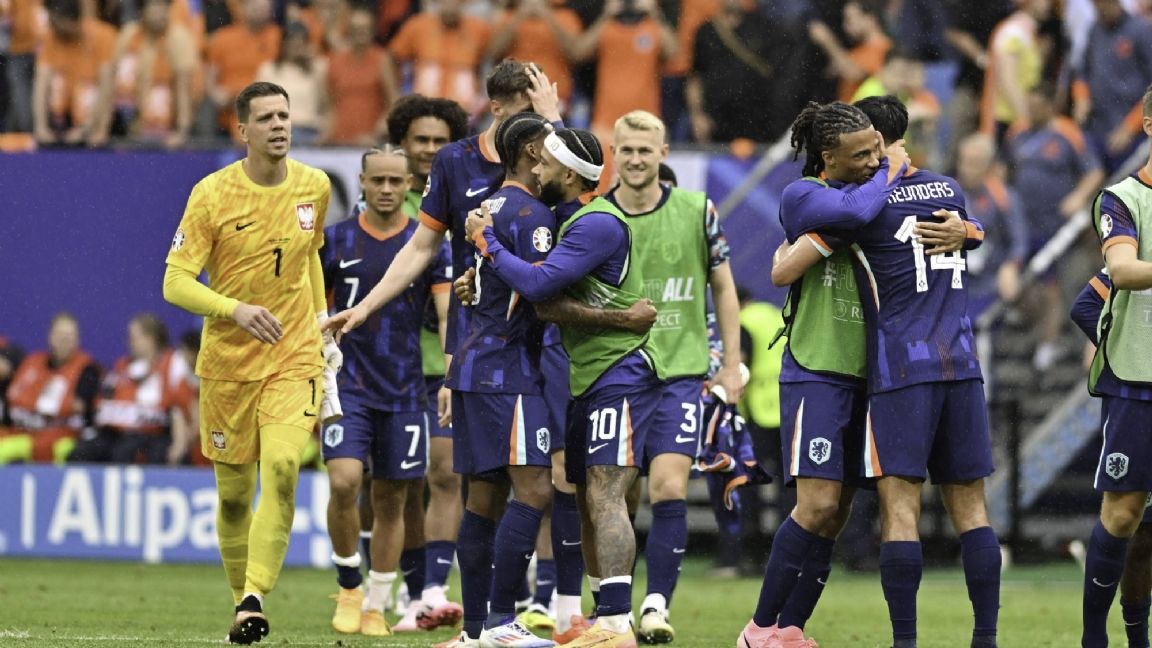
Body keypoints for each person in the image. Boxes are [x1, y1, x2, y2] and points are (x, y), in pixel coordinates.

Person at [323, 60, 562, 646]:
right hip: (493, 354)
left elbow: (584, 207)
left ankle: (489, 624)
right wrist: (365, 306)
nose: (540, 132)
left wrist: (556, 124)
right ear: (499, 110)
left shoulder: (548, 161)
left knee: (509, 489)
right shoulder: (458, 163)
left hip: (542, 348)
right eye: (531, 115)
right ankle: (493, 620)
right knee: (514, 487)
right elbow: (420, 247)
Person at [463, 126, 666, 648]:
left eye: (547, 166)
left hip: (620, 371)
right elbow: (544, 299)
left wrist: (486, 243)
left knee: (606, 490)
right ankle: (603, 619)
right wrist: (480, 281)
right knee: (587, 495)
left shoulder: (597, 223)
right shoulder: (569, 220)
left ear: (570, 176)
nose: (537, 171)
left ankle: (617, 623)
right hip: (588, 375)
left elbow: (537, 286)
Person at [162, 81, 335, 645]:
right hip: (228, 364)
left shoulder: (315, 185)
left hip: (294, 355)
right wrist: (234, 309)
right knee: (234, 498)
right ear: (243, 130)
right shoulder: (212, 194)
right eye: (266, 118)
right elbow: (175, 283)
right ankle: (243, 603)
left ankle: (255, 595)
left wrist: (321, 322)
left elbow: (309, 259)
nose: (279, 125)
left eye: (284, 115)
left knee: (282, 469)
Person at [738, 100, 909, 648]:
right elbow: (856, 214)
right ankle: (757, 629)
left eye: (877, 151)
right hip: (817, 369)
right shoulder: (803, 195)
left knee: (836, 514)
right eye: (860, 156)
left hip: (869, 376)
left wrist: (966, 229)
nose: (873, 161)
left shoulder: (870, 190)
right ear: (828, 158)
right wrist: (892, 171)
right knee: (814, 505)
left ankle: (790, 630)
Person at [595, 109, 745, 644]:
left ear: (663, 154)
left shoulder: (697, 210)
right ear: (614, 154)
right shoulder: (595, 218)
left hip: (681, 372)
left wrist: (730, 362)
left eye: (646, 150)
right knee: (611, 493)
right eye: (627, 150)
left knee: (668, 485)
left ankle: (656, 605)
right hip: (615, 373)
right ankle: (602, 606)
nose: (636, 159)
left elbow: (723, 287)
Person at [320, 145, 452, 637]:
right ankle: (348, 585)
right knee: (344, 482)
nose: (387, 189)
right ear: (362, 182)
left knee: (393, 499)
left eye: (396, 181)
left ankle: (376, 603)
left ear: (409, 184)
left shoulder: (426, 244)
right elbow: (312, 306)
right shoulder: (335, 240)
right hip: (347, 385)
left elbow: (446, 315)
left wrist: (451, 375)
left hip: (404, 388)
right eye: (378, 180)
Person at [448, 111, 557, 647]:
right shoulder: (533, 214)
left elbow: (483, 283)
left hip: (474, 363)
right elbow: (540, 287)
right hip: (507, 369)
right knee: (534, 489)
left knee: (483, 499)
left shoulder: (487, 206)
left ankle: (473, 632)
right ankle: (499, 623)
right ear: (533, 151)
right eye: (551, 144)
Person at [385, 93, 470, 632]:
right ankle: (402, 583)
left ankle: (431, 587)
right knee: (393, 482)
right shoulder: (386, 196)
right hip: (388, 364)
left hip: (444, 359)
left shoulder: (466, 200)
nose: (430, 149)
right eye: (421, 139)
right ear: (402, 143)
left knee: (442, 471)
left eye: (441, 140)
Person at [1078, 82, 1152, 648]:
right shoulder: (1122, 198)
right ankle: (1094, 637)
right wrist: (1108, 340)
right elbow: (1119, 274)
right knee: (1125, 516)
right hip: (1137, 379)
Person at [1070, 267, 1152, 648]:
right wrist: (1126, 354)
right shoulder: (1136, 251)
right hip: (1139, 398)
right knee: (1132, 526)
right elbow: (1087, 305)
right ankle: (1104, 638)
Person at [1004, 82, 1105, 370]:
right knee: (1023, 284)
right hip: (1026, 223)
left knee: (1058, 284)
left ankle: (1057, 342)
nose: (1032, 112)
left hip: (1060, 228)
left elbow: (1094, 171)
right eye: (1029, 106)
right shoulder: (1017, 132)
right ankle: (1044, 335)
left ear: (1050, 106)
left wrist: (1078, 196)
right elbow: (1005, 170)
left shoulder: (1067, 132)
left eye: (1038, 107)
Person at [68, 313, 193, 465]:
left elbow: (181, 409)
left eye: (134, 337)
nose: (129, 342)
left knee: (126, 452)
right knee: (81, 453)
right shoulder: (122, 365)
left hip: (155, 434)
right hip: (118, 433)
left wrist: (180, 444)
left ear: (151, 339)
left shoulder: (173, 364)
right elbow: (104, 403)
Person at [0, 312, 100, 464]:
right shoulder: (32, 363)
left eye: (69, 336)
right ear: (50, 336)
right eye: (60, 335)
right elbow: (14, 399)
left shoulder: (87, 369)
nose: (64, 341)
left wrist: (38, 406)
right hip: (26, 435)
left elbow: (78, 407)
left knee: (70, 453)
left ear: (77, 340)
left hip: (66, 438)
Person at [1072, 0, 1152, 172]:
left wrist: (1130, 127)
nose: (1100, 9)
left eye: (1104, 4)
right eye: (1096, 5)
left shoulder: (1141, 30)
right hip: (1098, 128)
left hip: (1134, 134)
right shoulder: (1095, 30)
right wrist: (1081, 98)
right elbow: (1082, 72)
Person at [104, 0, 197, 148]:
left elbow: (184, 88)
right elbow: (110, 81)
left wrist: (181, 131)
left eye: (164, 8)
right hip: (128, 123)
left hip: (167, 128)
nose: (161, 14)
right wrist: (102, 129)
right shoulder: (129, 34)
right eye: (155, 8)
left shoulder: (178, 37)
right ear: (142, 12)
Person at [32, 0, 116, 146]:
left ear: (74, 22)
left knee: (91, 91)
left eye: (60, 26)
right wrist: (41, 127)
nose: (57, 30)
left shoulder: (103, 35)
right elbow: (41, 83)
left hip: (91, 113)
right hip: (62, 115)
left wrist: (89, 129)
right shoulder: (52, 36)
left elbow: (107, 87)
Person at [387, 0, 493, 114]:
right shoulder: (418, 26)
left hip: (467, 113)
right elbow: (389, 58)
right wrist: (394, 97)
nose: (450, 5)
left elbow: (495, 56)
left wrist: (488, 100)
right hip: (422, 110)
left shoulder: (479, 29)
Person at [203, 0, 280, 140]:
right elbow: (210, 78)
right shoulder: (223, 38)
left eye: (264, 6)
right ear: (243, 7)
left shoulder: (279, 38)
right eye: (255, 6)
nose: (260, 10)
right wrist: (216, 94)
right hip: (228, 110)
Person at [323, 7, 398, 146]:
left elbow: (393, 103)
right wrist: (326, 134)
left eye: (365, 28)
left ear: (372, 31)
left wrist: (375, 135)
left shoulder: (381, 59)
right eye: (356, 28)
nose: (360, 32)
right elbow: (330, 105)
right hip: (338, 140)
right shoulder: (335, 61)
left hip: (371, 141)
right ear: (349, 31)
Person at [257, 22, 328, 146]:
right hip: (278, 131)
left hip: (310, 131)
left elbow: (326, 104)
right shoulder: (268, 70)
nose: (296, 47)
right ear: (283, 44)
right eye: (292, 42)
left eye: (300, 43)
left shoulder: (317, 67)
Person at [807, 0, 891, 102]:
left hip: (863, 110)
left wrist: (827, 41)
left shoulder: (884, 48)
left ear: (870, 19)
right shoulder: (858, 50)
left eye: (849, 20)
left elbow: (853, 74)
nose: (845, 26)